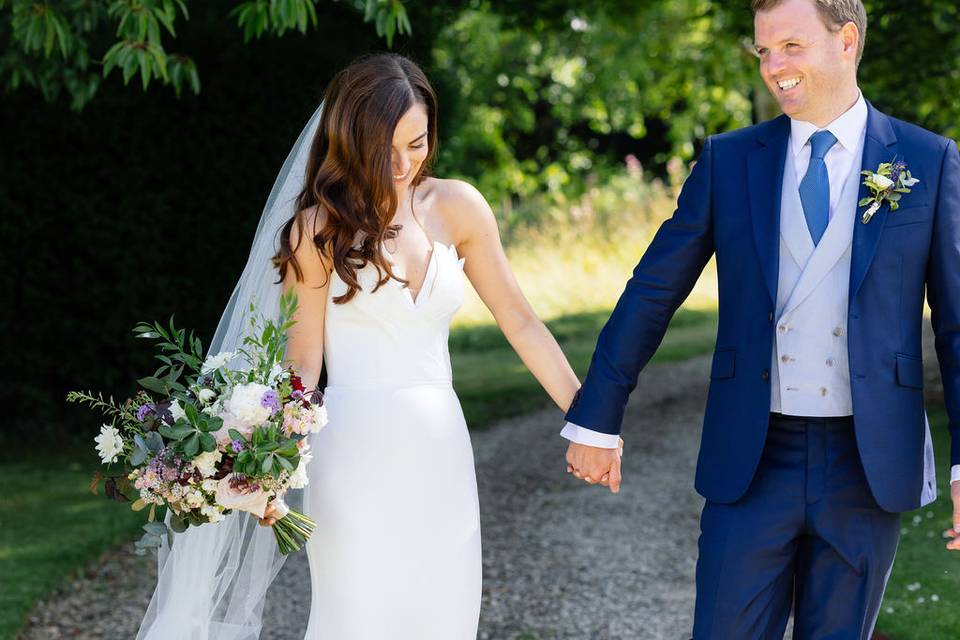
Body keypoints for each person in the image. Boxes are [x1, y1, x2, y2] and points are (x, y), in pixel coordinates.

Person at [562, 0, 960, 637]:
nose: (774, 67)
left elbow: (957, 327)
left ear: (847, 40)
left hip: (868, 462)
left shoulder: (927, 159)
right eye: (763, 52)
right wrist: (597, 417)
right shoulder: (730, 159)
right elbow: (653, 291)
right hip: (753, 454)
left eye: (791, 47)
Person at [251, 52, 611, 638]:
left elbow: (520, 320)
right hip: (350, 456)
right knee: (357, 616)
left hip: (440, 449)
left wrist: (588, 416)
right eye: (384, 150)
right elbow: (301, 366)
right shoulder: (317, 229)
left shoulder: (458, 207)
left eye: (416, 144)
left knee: (444, 613)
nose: (402, 165)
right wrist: (264, 465)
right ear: (350, 140)